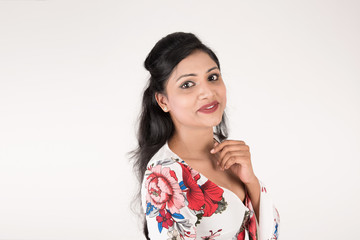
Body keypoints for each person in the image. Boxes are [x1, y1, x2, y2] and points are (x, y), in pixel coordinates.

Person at [131, 32, 280, 240]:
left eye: (212, 77)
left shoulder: (225, 152)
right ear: (163, 101)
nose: (208, 92)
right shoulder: (164, 175)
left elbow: (270, 233)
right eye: (187, 84)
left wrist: (250, 182)